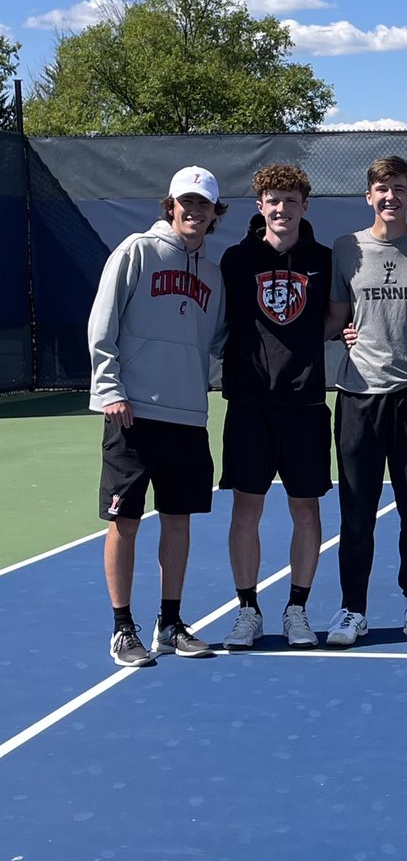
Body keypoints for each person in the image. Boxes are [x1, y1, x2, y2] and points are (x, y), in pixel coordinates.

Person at [89, 166, 227, 667]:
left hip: (188, 416)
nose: (193, 211)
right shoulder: (136, 251)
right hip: (132, 412)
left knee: (178, 522)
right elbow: (101, 324)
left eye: (203, 204)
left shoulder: (213, 275)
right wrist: (109, 389)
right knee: (124, 521)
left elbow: (222, 341)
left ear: (215, 213)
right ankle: (123, 628)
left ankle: (170, 622)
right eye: (185, 202)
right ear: (169, 205)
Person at [218, 164, 342, 651]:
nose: (282, 209)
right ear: (260, 206)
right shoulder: (235, 259)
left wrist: (313, 344)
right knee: (246, 508)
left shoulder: (325, 259)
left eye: (291, 200)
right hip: (249, 404)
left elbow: (336, 316)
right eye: (273, 200)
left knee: (304, 508)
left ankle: (297, 610)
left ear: (304, 207)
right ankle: (247, 610)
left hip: (306, 403)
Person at [325, 156, 407, 647]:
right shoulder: (344, 249)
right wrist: (342, 331)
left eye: (399, 188)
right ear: (368, 197)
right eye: (381, 189)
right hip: (357, 396)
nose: (390, 196)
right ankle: (353, 610)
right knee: (356, 512)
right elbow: (334, 318)